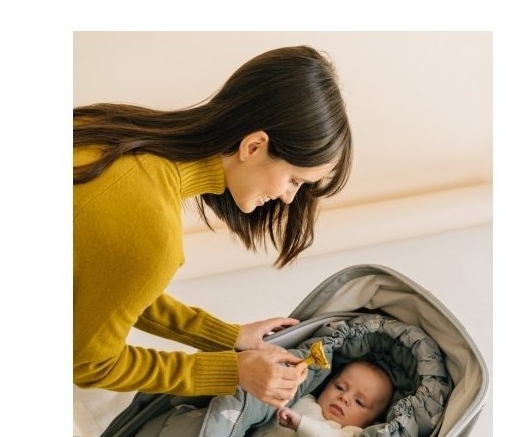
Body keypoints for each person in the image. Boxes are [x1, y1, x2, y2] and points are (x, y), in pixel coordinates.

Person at [73, 45, 353, 408]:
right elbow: (90, 364)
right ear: (253, 146)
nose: (288, 198)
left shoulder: (113, 132)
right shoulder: (152, 232)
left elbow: (114, 287)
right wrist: (233, 371)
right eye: (294, 180)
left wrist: (228, 336)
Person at [255, 361, 394, 437]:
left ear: (372, 422)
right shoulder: (305, 398)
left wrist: (301, 424)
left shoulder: (352, 434)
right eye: (339, 387)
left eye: (359, 402)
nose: (344, 397)